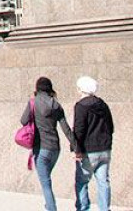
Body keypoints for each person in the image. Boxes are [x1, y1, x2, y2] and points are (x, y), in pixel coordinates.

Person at [21, 77, 75, 211]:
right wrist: (75, 146)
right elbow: (66, 128)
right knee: (46, 180)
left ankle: (51, 207)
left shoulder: (33, 102)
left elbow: (23, 121)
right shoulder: (56, 105)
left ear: (37, 88)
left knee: (46, 184)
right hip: (55, 148)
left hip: (41, 148)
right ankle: (48, 205)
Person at [73, 76, 114, 211]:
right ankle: (105, 209)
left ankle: (83, 208)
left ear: (81, 89)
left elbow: (79, 130)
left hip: (88, 150)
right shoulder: (103, 104)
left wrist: (77, 150)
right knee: (103, 182)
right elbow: (111, 127)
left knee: (82, 181)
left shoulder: (80, 106)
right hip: (105, 149)